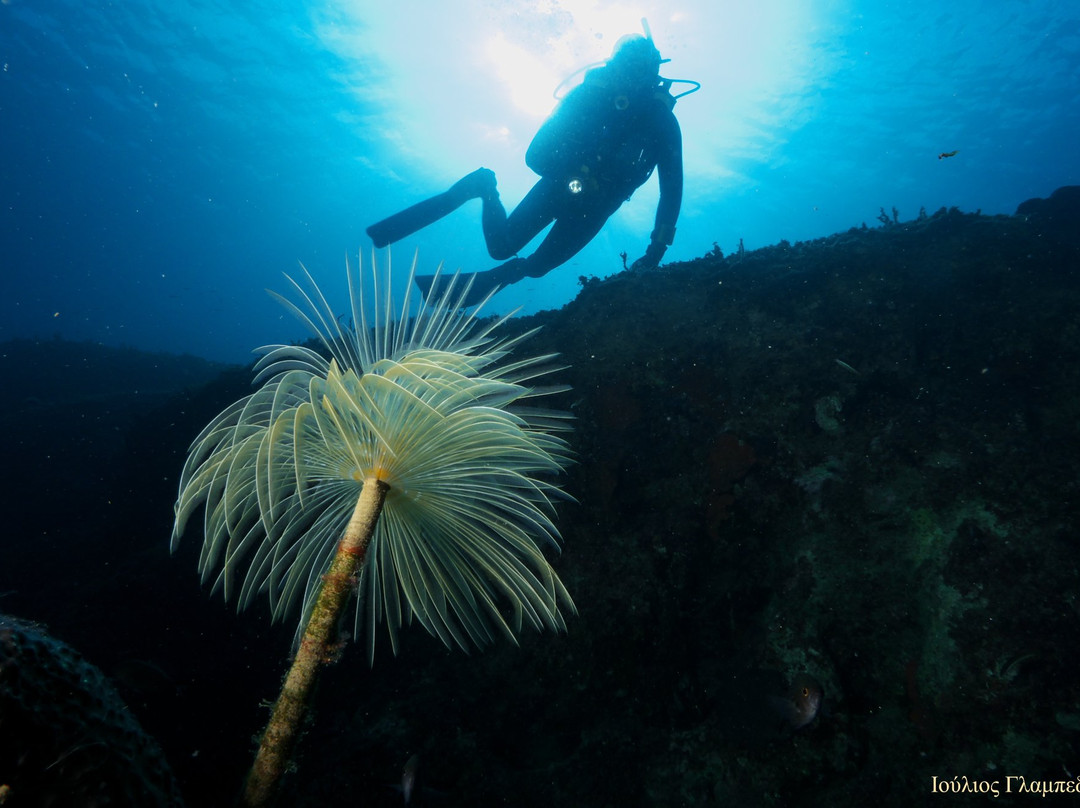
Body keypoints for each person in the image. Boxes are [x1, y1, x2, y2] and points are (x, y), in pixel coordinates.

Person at [365, 33, 685, 307]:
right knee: (502, 248)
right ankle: (484, 187)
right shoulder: (589, 96)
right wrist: (578, 169)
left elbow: (672, 188)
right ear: (615, 66)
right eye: (627, 67)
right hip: (560, 185)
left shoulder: (663, 124)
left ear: (652, 74)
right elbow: (536, 156)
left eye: (640, 70)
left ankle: (502, 265)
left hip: (598, 206)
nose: (631, 78)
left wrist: (658, 247)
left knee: (537, 267)